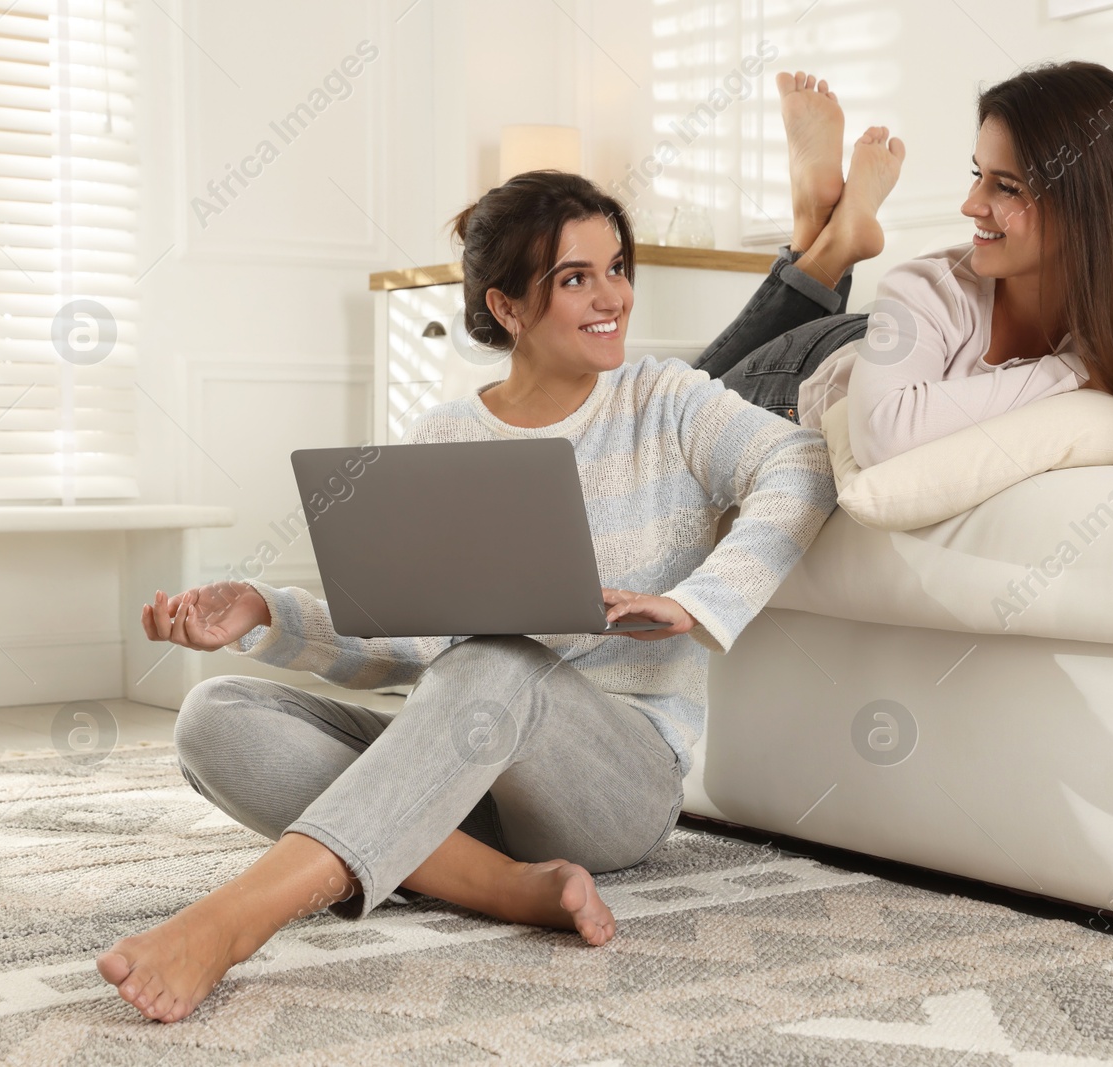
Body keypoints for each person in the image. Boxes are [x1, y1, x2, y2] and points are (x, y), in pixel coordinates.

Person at [95, 172, 838, 1024]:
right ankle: (501, 886)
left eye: (616, 266)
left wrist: (702, 600)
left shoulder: (665, 401)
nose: (613, 296)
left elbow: (803, 464)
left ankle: (233, 921)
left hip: (614, 786)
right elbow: (410, 645)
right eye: (575, 277)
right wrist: (267, 613)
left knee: (495, 658)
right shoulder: (446, 432)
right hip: (463, 766)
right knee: (213, 716)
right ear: (509, 307)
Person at [694, 66, 1113, 464]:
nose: (970, 205)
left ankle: (821, 234)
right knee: (656, 415)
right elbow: (883, 435)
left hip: (899, 353)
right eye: (977, 173)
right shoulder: (932, 284)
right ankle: (823, 239)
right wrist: (1079, 372)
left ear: (1088, 208)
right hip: (809, 376)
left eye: (1006, 186)